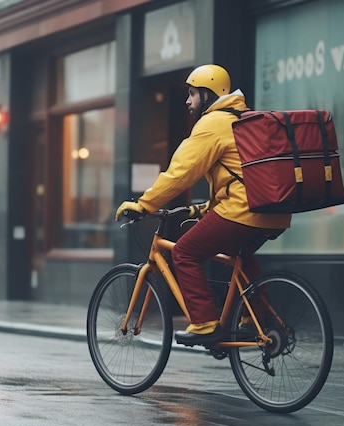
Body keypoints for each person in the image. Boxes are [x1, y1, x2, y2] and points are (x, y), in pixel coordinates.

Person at [115, 64, 291, 346]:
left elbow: (180, 173)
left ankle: (205, 324)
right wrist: (203, 208)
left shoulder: (212, 124)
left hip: (242, 211)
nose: (187, 100)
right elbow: (239, 176)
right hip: (273, 211)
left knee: (184, 252)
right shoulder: (245, 118)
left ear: (208, 95)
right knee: (242, 259)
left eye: (193, 94)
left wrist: (145, 204)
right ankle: (256, 321)